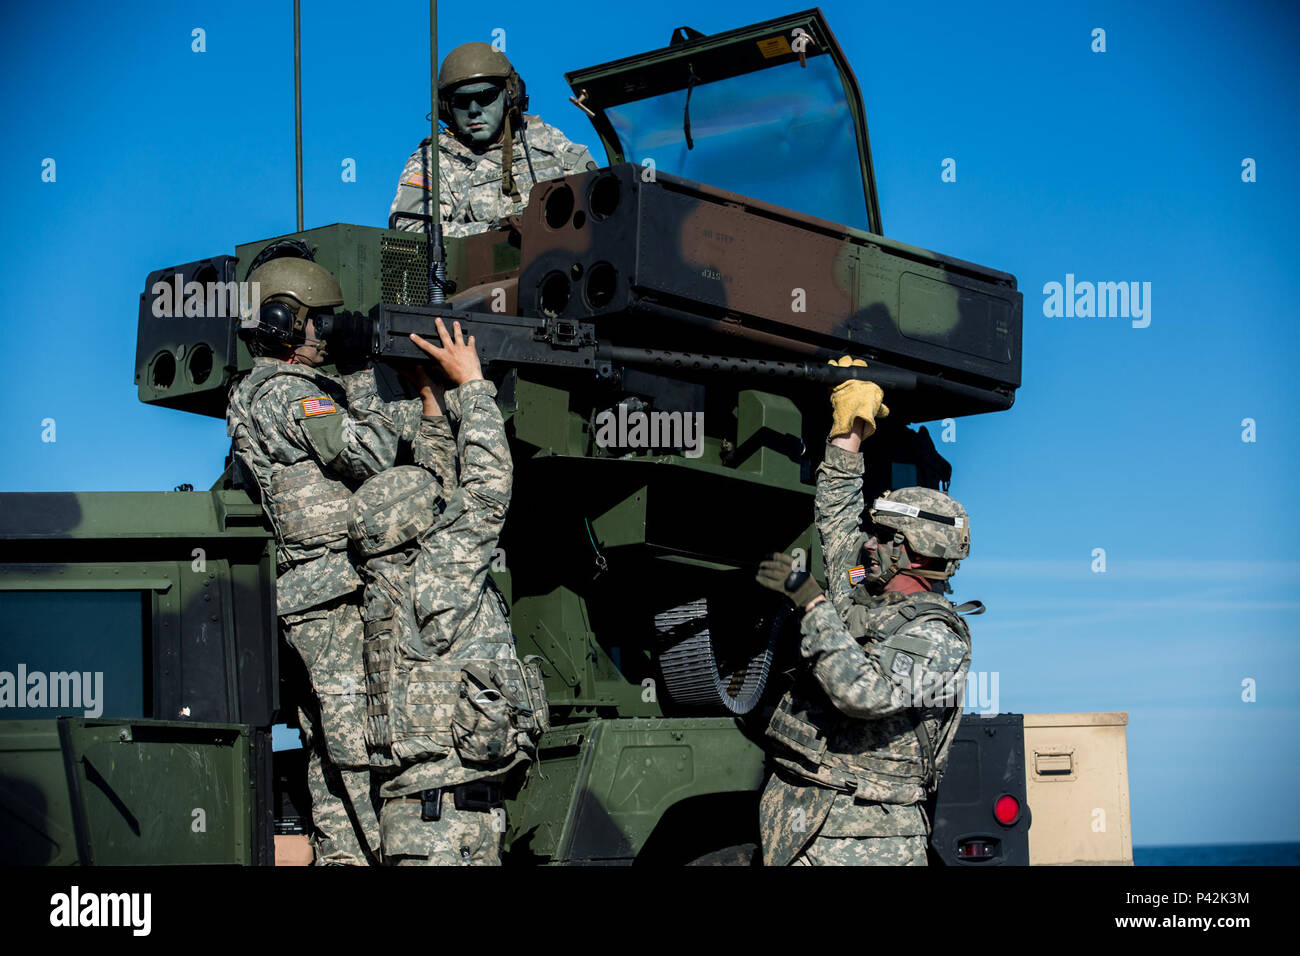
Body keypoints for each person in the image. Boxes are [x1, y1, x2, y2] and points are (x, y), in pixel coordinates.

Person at [226, 255, 412, 864]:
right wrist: (362, 370)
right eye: (319, 322)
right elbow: (371, 454)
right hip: (331, 594)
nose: (326, 332)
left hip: (315, 595)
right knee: (360, 745)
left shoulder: (272, 394)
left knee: (333, 748)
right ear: (283, 323)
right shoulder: (287, 394)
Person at [754, 356, 976, 866]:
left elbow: (866, 694)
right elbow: (836, 515)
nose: (869, 544)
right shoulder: (863, 588)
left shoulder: (941, 638)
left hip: (873, 840)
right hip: (808, 823)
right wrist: (849, 433)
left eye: (883, 537)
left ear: (913, 553)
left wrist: (811, 603)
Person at [348, 317, 547, 865]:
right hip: (448, 827)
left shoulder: (386, 582)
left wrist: (432, 404)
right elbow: (485, 494)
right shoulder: (438, 573)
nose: (445, 510)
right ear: (423, 529)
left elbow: (435, 491)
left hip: (419, 817)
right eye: (437, 511)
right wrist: (472, 385)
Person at [389, 41, 598, 237]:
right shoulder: (434, 161)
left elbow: (599, 202)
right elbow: (410, 229)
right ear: (446, 108)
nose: (474, 110)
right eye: (461, 101)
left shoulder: (547, 141)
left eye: (485, 97)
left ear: (510, 95)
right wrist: (495, 232)